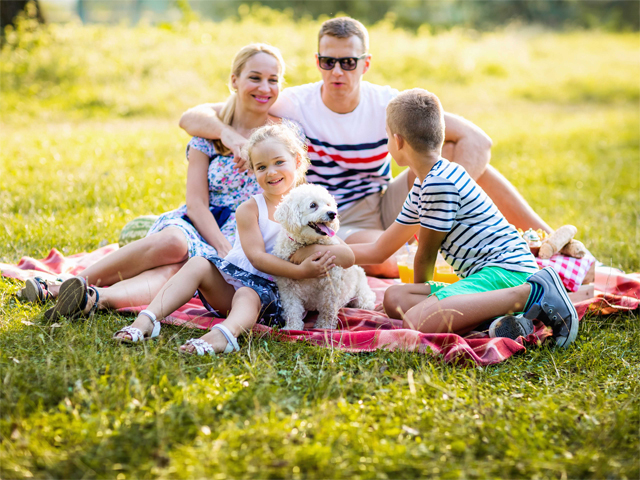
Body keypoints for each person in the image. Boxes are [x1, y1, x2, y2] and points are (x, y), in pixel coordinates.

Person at [179, 17, 552, 278]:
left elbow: (477, 140)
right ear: (318, 62)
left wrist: (443, 196)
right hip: (337, 215)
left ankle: (550, 242)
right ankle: (469, 263)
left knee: (457, 162)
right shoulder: (293, 102)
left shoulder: (387, 103)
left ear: (365, 63)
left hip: (389, 199)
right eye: (328, 61)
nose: (337, 71)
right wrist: (228, 136)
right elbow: (192, 116)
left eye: (348, 62)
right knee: (378, 262)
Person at [27, 43, 290, 318]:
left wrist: (229, 247)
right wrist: (219, 245)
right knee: (176, 244)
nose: (265, 88)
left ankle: (92, 299)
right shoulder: (210, 131)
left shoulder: (281, 135)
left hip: (242, 235)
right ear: (234, 80)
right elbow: (197, 202)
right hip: (198, 221)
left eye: (273, 80)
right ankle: (67, 285)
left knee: (177, 270)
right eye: (255, 77)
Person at [95, 123, 353, 353]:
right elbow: (257, 258)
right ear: (252, 171)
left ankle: (223, 335)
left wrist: (315, 262)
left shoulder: (312, 208)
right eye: (261, 167)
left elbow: (346, 254)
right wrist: (300, 271)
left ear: (297, 161)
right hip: (231, 286)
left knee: (248, 294)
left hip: (273, 298)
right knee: (197, 262)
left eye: (279, 162)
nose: (271, 172)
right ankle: (147, 319)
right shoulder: (250, 209)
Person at [349, 89, 578, 347]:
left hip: (506, 273)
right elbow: (380, 249)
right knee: (394, 298)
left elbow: (425, 254)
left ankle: (534, 292)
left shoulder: (438, 184)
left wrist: (429, 308)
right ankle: (508, 318)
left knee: (415, 321)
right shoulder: (425, 182)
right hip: (485, 276)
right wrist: (331, 254)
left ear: (398, 141)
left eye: (388, 137)